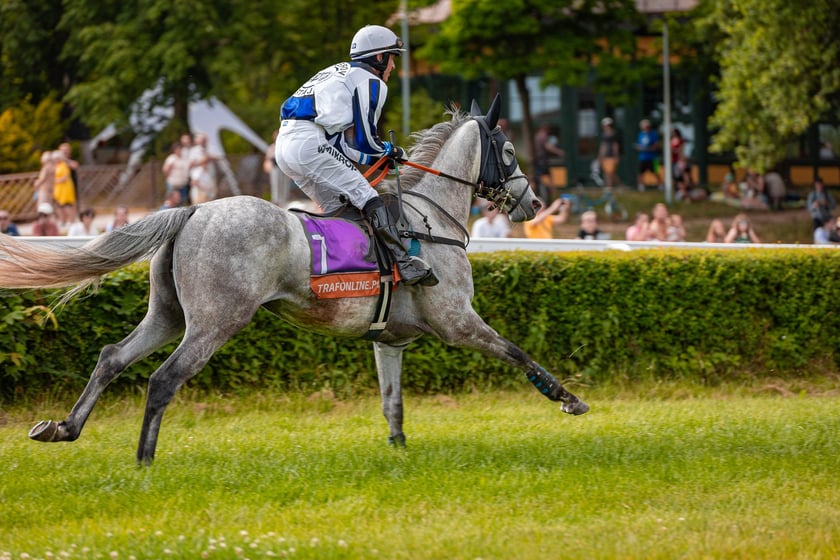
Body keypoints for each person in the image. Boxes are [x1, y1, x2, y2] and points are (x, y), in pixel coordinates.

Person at [274, 25, 436, 286]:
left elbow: (348, 147)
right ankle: (405, 263)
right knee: (368, 197)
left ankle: (347, 269)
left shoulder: (340, 72)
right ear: (379, 58)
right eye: (393, 58)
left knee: (340, 207)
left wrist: (380, 158)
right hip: (308, 144)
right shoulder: (371, 81)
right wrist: (392, 152)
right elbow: (364, 141)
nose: (394, 67)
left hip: (285, 147)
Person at [533, 123, 565, 200]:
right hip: (543, 161)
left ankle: (544, 193)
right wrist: (559, 152)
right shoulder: (543, 136)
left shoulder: (536, 136)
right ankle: (552, 194)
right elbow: (548, 147)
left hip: (538, 161)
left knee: (540, 178)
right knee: (549, 179)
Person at [189, 132, 218, 204]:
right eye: (201, 139)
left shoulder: (211, 148)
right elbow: (191, 164)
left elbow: (217, 157)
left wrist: (209, 157)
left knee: (211, 198)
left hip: (210, 176)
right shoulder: (193, 150)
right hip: (199, 179)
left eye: (204, 139)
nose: (203, 141)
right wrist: (202, 161)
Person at [634, 119, 660, 191]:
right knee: (641, 172)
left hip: (653, 157)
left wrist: (649, 148)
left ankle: (660, 185)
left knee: (656, 171)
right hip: (643, 157)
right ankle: (641, 186)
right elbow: (639, 145)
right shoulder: (641, 134)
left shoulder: (653, 134)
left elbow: (656, 145)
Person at [52, 149, 77, 227]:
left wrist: (54, 180)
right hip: (59, 189)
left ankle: (72, 221)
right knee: (59, 206)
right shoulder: (56, 166)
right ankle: (63, 221)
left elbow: (65, 178)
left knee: (67, 205)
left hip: (65, 189)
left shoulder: (63, 165)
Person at [162, 142, 190, 207]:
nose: (179, 150)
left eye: (180, 149)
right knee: (170, 202)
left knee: (181, 202)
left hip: (183, 184)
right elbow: (165, 170)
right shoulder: (171, 158)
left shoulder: (184, 159)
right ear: (174, 150)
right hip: (173, 184)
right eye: (177, 149)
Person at [597, 117, 621, 188]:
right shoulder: (603, 135)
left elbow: (615, 146)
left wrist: (616, 156)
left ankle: (611, 187)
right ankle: (609, 187)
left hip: (611, 156)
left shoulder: (614, 134)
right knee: (607, 173)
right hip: (605, 156)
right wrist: (600, 156)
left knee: (610, 173)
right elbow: (602, 146)